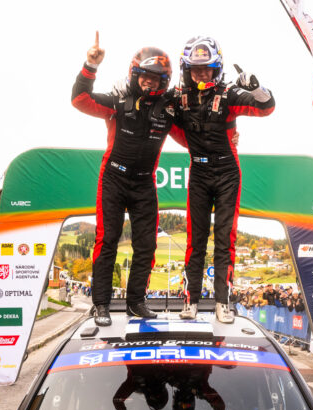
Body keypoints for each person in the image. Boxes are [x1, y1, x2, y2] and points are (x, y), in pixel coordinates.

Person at [72, 32, 183, 326]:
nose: (150, 82)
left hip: (145, 183)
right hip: (114, 179)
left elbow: (190, 139)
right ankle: (101, 305)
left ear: (165, 82)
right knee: (107, 240)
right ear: (134, 75)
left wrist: (229, 137)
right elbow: (80, 100)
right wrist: (90, 66)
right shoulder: (118, 100)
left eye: (157, 78)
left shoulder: (168, 109)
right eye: (145, 76)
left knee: (146, 245)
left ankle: (136, 302)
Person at [175, 36, 275, 323]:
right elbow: (151, 111)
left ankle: (223, 301)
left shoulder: (229, 93)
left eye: (207, 68)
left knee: (224, 238)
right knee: (196, 239)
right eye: (196, 69)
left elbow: (266, 108)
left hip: (228, 173)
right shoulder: (178, 96)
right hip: (198, 172)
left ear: (216, 68)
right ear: (187, 70)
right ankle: (190, 300)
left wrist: (256, 88)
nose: (202, 73)